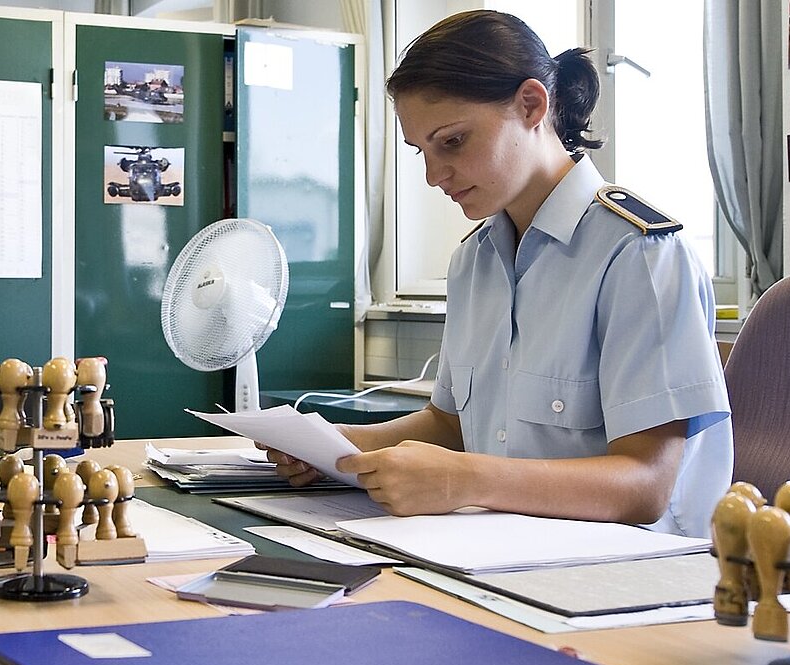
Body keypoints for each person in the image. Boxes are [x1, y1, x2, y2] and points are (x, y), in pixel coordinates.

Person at [266, 10, 731, 538]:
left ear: (532, 105)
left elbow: (644, 486)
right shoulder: (475, 259)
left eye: (453, 141)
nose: (434, 175)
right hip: (494, 550)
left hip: (622, 571)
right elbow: (450, 425)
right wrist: (340, 446)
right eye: (421, 151)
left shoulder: (641, 255)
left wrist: (465, 480)